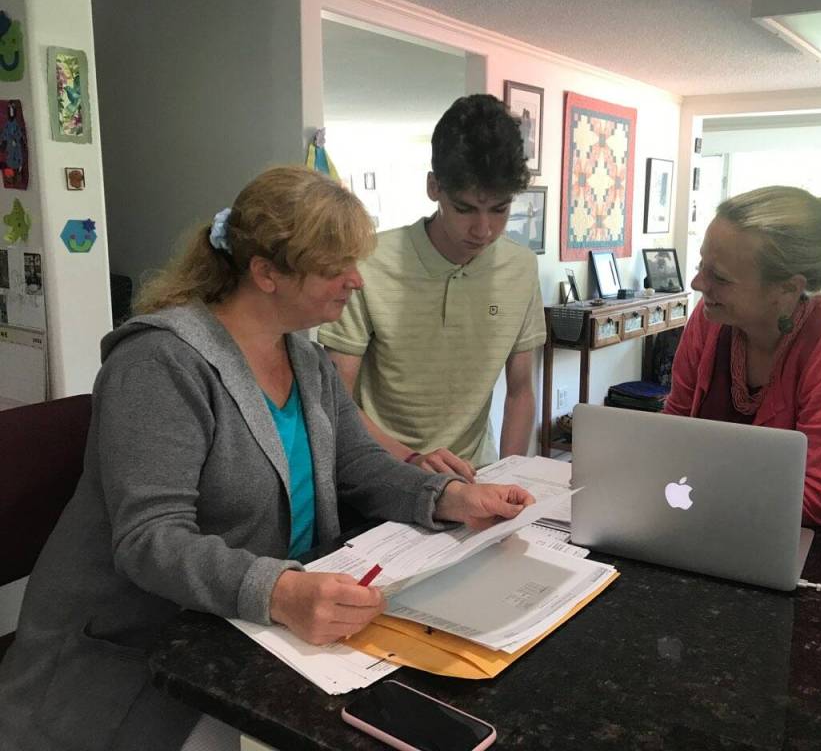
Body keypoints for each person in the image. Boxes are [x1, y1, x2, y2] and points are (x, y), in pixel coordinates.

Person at [0, 166, 535, 751]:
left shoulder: (304, 361)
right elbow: (150, 540)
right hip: (137, 651)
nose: (356, 281)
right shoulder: (159, 365)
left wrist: (448, 497)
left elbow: (357, 464)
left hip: (248, 632)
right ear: (266, 273)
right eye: (335, 269)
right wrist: (278, 591)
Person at [318, 94, 546, 481]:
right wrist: (410, 460)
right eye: (465, 209)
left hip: (476, 474)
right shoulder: (367, 263)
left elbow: (521, 390)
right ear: (433, 186)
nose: (483, 230)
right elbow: (336, 399)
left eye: (499, 209)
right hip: (379, 474)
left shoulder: (521, 268)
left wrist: (509, 476)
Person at [663, 185, 821, 526]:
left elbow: (819, 499)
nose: (697, 282)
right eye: (702, 264)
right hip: (706, 522)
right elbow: (672, 431)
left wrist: (698, 491)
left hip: (811, 549)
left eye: (718, 276)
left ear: (788, 288)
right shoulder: (710, 319)